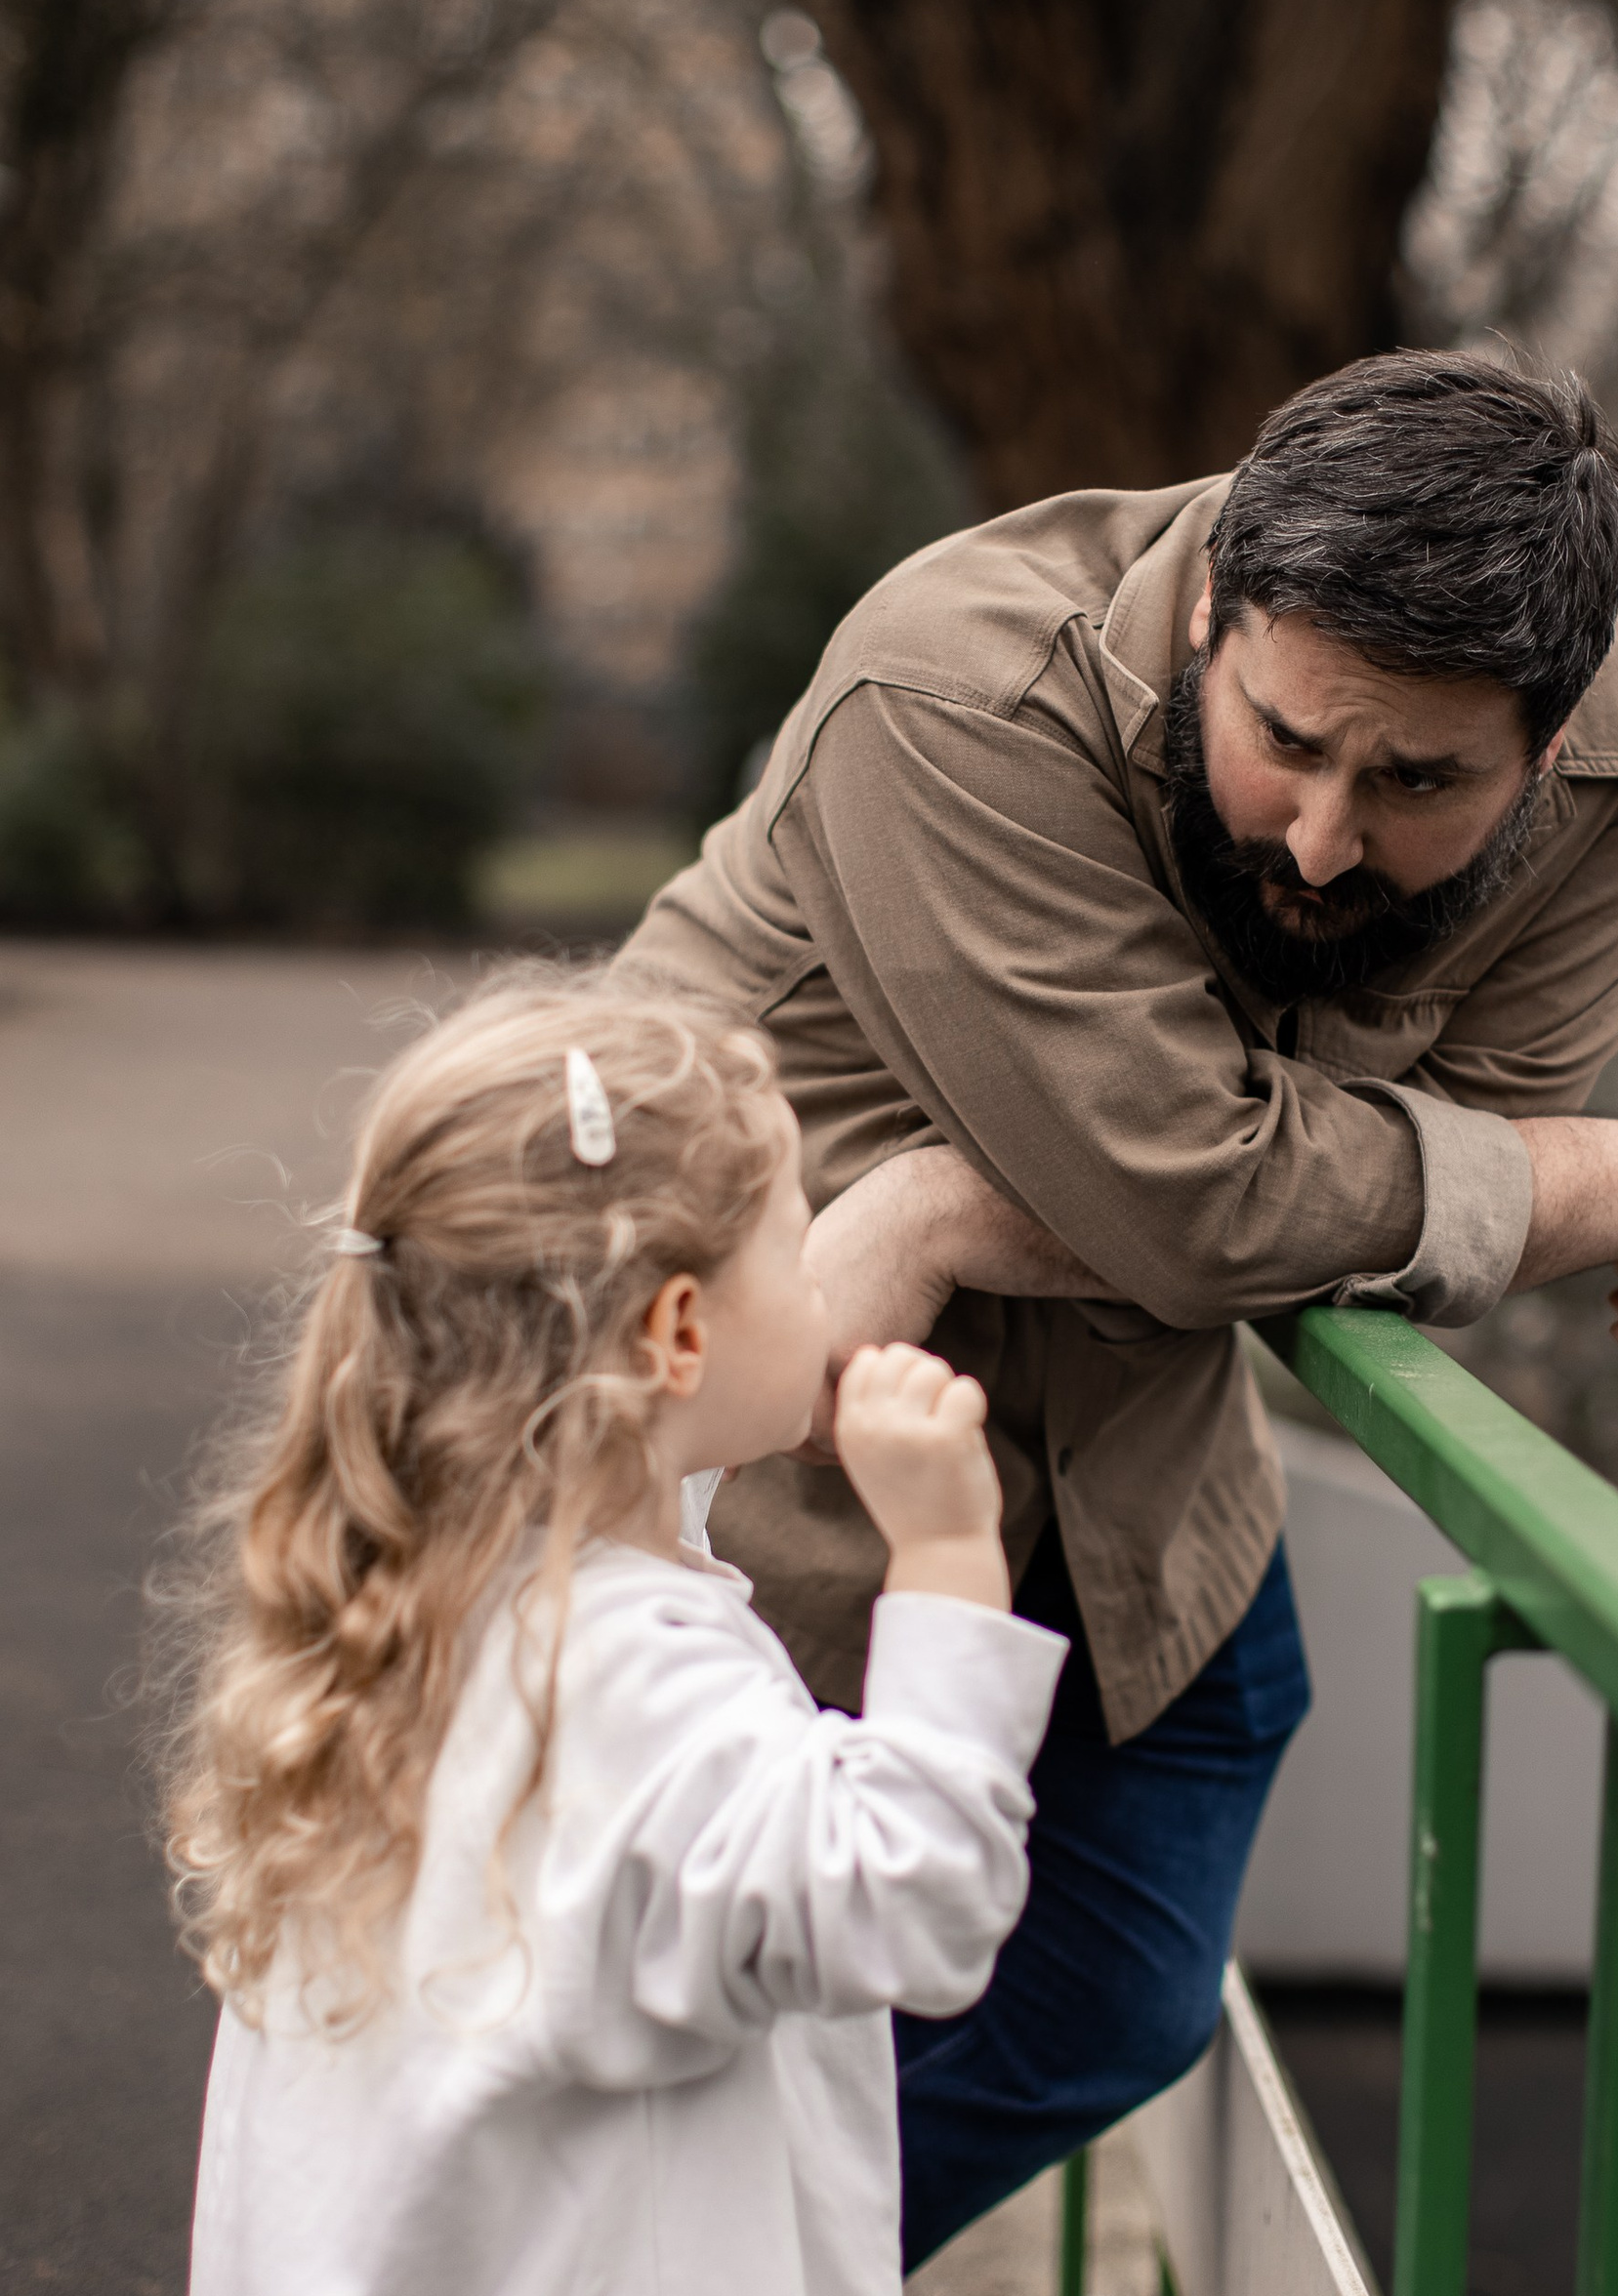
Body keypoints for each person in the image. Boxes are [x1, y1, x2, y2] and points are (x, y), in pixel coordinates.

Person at [618, 348, 1618, 2262]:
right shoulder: (951, 686)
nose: (1322, 836)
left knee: (1113, 1994)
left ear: (1546, 747)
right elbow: (1207, 1194)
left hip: (1147, 1454)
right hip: (757, 1394)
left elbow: (1441, 1140)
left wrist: (974, 1196)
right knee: (708, 1996)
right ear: (1216, 607)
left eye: (1414, 783)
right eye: (1283, 741)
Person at [162, 968, 1069, 2296]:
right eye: (793, 1245)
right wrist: (943, 1550)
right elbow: (913, 1900)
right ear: (680, 1329)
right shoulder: (639, 1685)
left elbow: (632, 1475)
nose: (826, 1297)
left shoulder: (425, 1593)